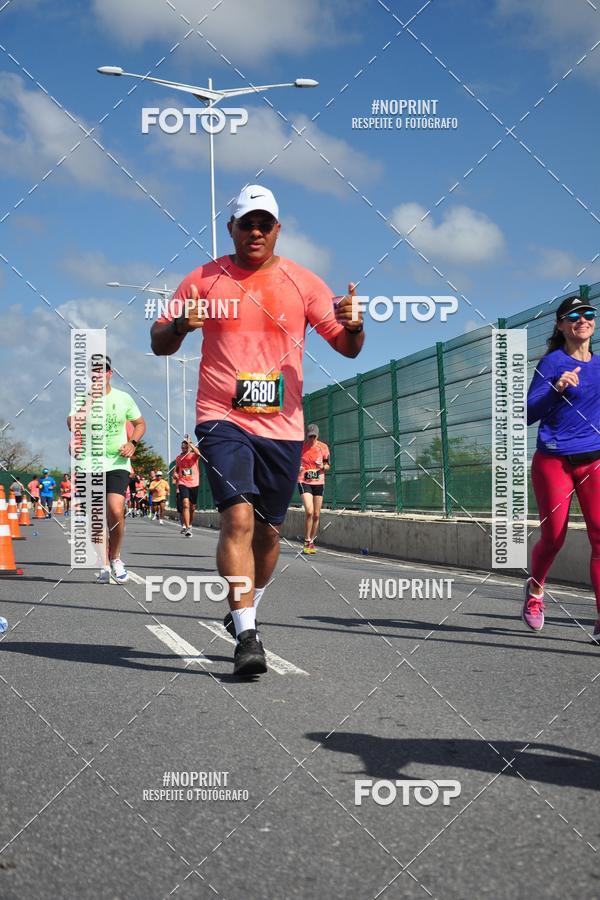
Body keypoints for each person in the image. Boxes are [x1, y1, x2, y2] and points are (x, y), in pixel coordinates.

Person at [151, 183, 364, 676]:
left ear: (276, 229)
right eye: (245, 223)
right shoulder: (203, 279)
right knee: (238, 521)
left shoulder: (302, 282)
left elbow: (347, 348)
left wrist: (353, 325)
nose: (254, 231)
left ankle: (245, 609)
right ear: (231, 229)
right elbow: (160, 342)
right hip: (222, 418)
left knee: (268, 534)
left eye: (263, 223)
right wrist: (182, 324)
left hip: (283, 427)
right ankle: (247, 634)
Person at [526, 294, 600, 642]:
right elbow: (526, 414)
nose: (582, 319)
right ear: (561, 325)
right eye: (573, 316)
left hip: (594, 461)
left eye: (588, 314)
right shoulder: (552, 363)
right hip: (553, 461)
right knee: (554, 537)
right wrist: (556, 389)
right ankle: (536, 591)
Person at [67, 354, 146, 583]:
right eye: (94, 371)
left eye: (103, 370)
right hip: (89, 464)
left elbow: (140, 424)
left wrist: (133, 443)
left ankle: (116, 557)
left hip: (116, 463)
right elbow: (72, 423)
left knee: (115, 509)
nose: (99, 375)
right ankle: (103, 564)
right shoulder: (82, 397)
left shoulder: (124, 398)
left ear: (110, 373)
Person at [298, 423, 330, 554]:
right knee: (309, 512)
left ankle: (311, 541)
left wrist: (322, 466)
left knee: (316, 515)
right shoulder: (300, 447)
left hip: (318, 482)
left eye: (314, 436)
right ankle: (306, 540)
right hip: (303, 481)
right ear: (306, 435)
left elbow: (328, 465)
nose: (312, 439)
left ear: (317, 435)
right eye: (310, 436)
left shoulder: (323, 447)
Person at [173, 435, 201, 536]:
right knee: (185, 504)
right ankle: (188, 527)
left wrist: (190, 442)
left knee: (192, 507)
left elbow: (198, 453)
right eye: (182, 447)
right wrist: (175, 474)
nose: (183, 449)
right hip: (183, 483)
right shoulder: (179, 458)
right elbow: (176, 469)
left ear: (189, 447)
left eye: (185, 447)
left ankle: (190, 524)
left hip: (194, 483)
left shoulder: (193, 456)